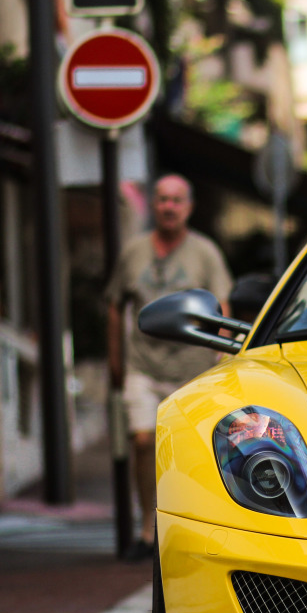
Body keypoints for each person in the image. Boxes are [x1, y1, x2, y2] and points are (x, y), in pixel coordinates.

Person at [106, 174, 232, 561]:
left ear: (188, 207)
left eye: (177, 200)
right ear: (154, 205)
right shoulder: (133, 252)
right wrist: (116, 362)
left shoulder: (205, 252)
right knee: (143, 443)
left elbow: (222, 305)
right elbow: (114, 303)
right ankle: (148, 529)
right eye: (162, 199)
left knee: (190, 451)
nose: (169, 207)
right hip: (143, 364)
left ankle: (193, 528)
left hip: (191, 371)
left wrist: (223, 355)